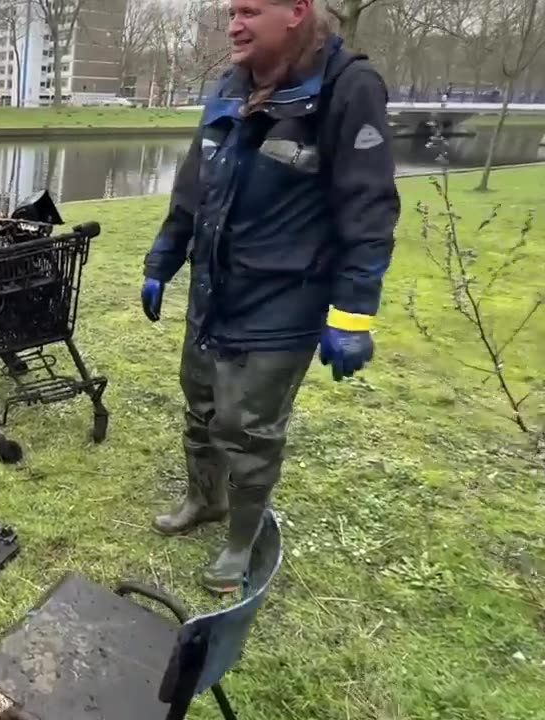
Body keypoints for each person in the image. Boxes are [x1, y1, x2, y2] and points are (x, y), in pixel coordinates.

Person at [139, 0, 399, 594]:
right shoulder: (230, 85)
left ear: (297, 11)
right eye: (231, 11)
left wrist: (354, 312)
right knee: (201, 405)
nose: (234, 23)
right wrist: (163, 259)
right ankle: (204, 500)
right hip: (214, 291)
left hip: (283, 301)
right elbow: (193, 184)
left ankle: (242, 540)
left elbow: (369, 206)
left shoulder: (347, 87)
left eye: (250, 10)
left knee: (249, 428)